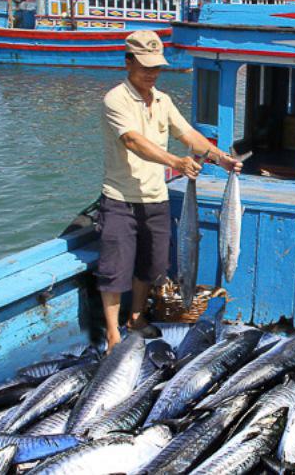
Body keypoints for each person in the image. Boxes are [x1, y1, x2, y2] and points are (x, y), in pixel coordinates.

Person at [98, 30, 241, 352]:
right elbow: (133, 141)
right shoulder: (115, 99)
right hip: (120, 199)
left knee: (151, 265)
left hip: (156, 198)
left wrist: (220, 158)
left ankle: (136, 318)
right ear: (128, 62)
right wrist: (176, 161)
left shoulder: (163, 101)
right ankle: (112, 334)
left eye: (156, 67)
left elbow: (187, 134)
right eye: (145, 66)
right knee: (114, 270)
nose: (152, 73)